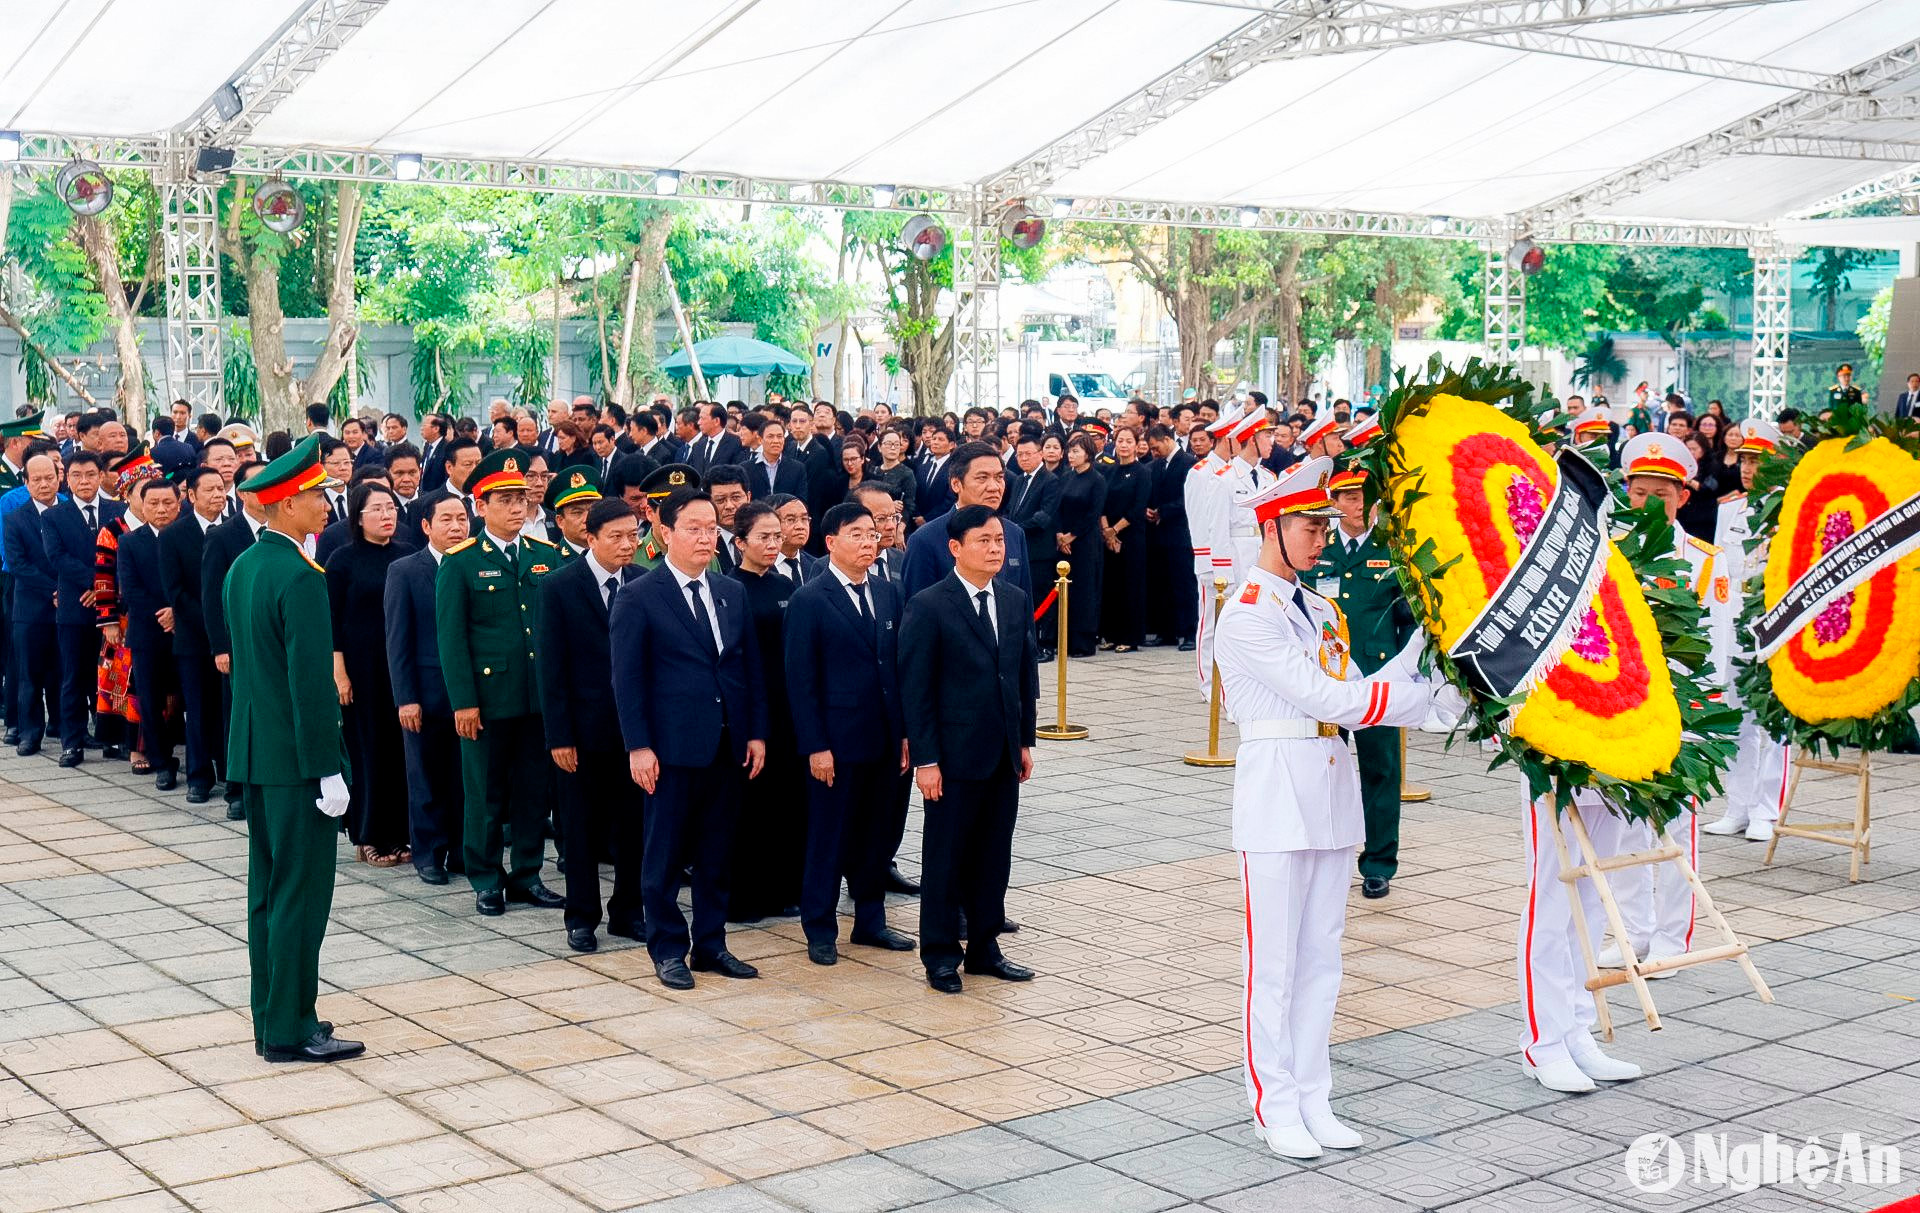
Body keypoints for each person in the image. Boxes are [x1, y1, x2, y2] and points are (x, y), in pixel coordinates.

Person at [1215, 459, 1460, 1157]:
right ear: (1272, 527)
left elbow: (1360, 685)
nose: (1321, 539)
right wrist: (1415, 697)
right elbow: (1329, 698)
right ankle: (1274, 1101)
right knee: (1274, 963)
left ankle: (1314, 1093)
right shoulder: (1248, 616)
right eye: (1307, 526)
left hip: (1327, 787)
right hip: (1275, 790)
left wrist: (1433, 673)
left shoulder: (1321, 609)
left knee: (1322, 956)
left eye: (1325, 525)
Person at [222, 436, 362, 1064]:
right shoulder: (302, 578)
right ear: (282, 506)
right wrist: (327, 767)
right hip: (298, 764)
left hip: (257, 756)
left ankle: (277, 1014)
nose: (326, 504)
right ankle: (289, 1029)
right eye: (314, 496)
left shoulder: (245, 567)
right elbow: (310, 687)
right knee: (300, 897)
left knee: (268, 895)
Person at [611, 489, 768, 990]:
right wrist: (638, 746)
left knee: (717, 851)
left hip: (726, 744)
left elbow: (748, 669)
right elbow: (627, 678)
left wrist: (756, 733)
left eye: (711, 528)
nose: (706, 538)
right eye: (694, 528)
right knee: (663, 853)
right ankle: (668, 948)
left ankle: (712, 943)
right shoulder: (639, 594)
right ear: (665, 533)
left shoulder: (730, 591)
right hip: (669, 748)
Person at [899, 506, 1038, 994]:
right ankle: (939, 954)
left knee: (992, 856)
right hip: (953, 757)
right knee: (946, 857)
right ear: (956, 548)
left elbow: (1022, 676)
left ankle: (984, 948)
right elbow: (916, 689)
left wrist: (1024, 740)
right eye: (984, 541)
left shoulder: (1015, 599)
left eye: (999, 540)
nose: (995, 548)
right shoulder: (930, 604)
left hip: (1001, 751)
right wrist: (927, 760)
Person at [436, 448, 565, 917]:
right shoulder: (462, 561)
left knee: (534, 791)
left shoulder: (544, 555)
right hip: (487, 701)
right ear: (481, 505)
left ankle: (527, 874)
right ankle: (486, 877)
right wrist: (463, 702)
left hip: (536, 698)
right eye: (504, 499)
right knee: (485, 793)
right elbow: (451, 639)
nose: (516, 507)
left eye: (521, 498)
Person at [787, 501, 913, 965]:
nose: (868, 541)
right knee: (829, 836)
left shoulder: (888, 593)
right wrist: (816, 745)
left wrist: (903, 733)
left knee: (877, 834)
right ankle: (819, 927)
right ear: (831, 543)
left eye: (872, 533)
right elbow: (800, 682)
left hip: (883, 738)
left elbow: (897, 668)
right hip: (835, 743)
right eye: (856, 534)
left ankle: (871, 920)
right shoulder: (810, 599)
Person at [538, 495, 644, 954]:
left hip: (634, 732)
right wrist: (559, 735)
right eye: (616, 537)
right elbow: (551, 669)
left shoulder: (643, 582)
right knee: (579, 829)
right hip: (581, 732)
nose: (627, 546)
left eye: (633, 536)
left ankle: (628, 911)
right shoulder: (559, 587)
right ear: (591, 537)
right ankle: (582, 917)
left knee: (633, 826)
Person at [1309, 463, 1409, 900]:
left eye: (1366, 496)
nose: (1359, 504)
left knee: (1381, 771)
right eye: (1349, 496)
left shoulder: (1394, 549)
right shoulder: (1319, 548)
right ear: (1334, 502)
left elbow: (1408, 620)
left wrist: (1408, 676)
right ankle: (1322, 852)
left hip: (1376, 680)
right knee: (1322, 768)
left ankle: (1379, 863)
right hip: (1328, 681)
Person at [1705, 420, 1790, 843]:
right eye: (1745, 460)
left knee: (1773, 724)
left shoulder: (1791, 512)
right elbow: (1724, 574)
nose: (1749, 469)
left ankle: (1767, 811)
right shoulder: (1728, 511)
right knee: (1738, 719)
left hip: (1775, 627)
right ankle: (1738, 806)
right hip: (1738, 627)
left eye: (1758, 461)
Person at [385, 491, 469, 886]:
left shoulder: (474, 565)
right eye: (447, 520)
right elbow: (398, 640)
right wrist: (406, 698)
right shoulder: (405, 570)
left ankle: (460, 849)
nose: (456, 527)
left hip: (468, 694)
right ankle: (428, 852)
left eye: (462, 519)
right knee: (426, 777)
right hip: (425, 691)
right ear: (426, 526)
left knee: (464, 778)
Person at [726, 501, 803, 922]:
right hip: (751, 710)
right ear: (740, 542)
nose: (774, 544)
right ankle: (746, 895)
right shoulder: (730, 589)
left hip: (789, 709)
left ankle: (787, 888)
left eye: (778, 537)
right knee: (749, 808)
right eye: (764, 537)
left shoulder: (786, 585)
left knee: (787, 804)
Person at [327, 482, 410, 867]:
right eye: (377, 509)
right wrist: (339, 673)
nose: (386, 515)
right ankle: (368, 833)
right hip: (361, 667)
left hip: (400, 665)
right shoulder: (342, 561)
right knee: (369, 749)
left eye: (390, 507)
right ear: (358, 517)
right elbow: (330, 622)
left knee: (399, 749)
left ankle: (402, 831)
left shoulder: (408, 555)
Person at [42, 451, 123, 766]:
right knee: (74, 677)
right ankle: (72, 743)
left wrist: (104, 588)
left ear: (101, 476)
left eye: (90, 474)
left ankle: (113, 739)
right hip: (75, 607)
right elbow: (57, 557)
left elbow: (125, 552)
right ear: (67, 478)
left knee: (111, 675)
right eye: (77, 475)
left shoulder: (119, 511)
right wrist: (95, 583)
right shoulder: (53, 516)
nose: (84, 481)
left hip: (113, 610)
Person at [158, 467, 228, 804]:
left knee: (227, 709)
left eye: (222, 487)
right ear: (192, 496)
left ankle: (231, 774)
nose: (218, 494)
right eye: (210, 489)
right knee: (197, 709)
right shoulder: (173, 535)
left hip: (231, 640)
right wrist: (212, 622)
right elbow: (176, 593)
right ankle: (199, 777)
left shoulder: (234, 530)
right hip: (193, 639)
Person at [202, 463, 268, 822]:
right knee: (237, 715)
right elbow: (211, 596)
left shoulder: (284, 530)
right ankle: (235, 788)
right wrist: (220, 647)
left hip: (270, 643)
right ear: (241, 493)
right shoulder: (223, 535)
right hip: (236, 644)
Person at [116, 474, 181, 789]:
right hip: (147, 632)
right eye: (153, 503)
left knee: (190, 698)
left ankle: (199, 761)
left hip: (187, 630)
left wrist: (178, 613)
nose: (161, 509)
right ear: (141, 505)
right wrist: (164, 615)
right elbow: (130, 590)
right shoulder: (130, 541)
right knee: (151, 700)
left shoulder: (192, 536)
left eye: (168, 502)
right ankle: (161, 762)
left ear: (179, 503)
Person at [5, 452, 62, 757]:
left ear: (58, 477)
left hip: (68, 605)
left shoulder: (69, 511)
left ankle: (66, 727)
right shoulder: (15, 519)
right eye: (36, 479)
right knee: (30, 675)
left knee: (64, 671)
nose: (44, 484)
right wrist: (54, 590)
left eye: (49, 477)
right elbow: (18, 564)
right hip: (30, 608)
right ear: (25, 483)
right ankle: (29, 733)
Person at [1049, 433, 1107, 658]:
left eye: (1076, 451)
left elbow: (1093, 513)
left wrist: (1071, 537)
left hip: (1084, 542)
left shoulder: (1097, 479)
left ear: (1088, 454)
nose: (1071, 456)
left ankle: (1083, 642)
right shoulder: (1066, 476)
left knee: (1084, 592)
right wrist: (1059, 535)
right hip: (1063, 541)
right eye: (1070, 451)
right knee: (1066, 592)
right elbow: (1057, 507)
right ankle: (1064, 638)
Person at [1098, 425, 1150, 653]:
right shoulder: (1109, 471)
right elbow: (1101, 503)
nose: (1124, 445)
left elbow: (1137, 508)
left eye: (1129, 441)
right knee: (1111, 586)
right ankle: (1110, 633)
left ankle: (1130, 636)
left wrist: (1115, 531)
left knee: (1130, 586)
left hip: (1131, 536)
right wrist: (1107, 531)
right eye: (1120, 441)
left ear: (1137, 445)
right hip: (1108, 536)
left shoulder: (1142, 472)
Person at [1144, 425, 1197, 649]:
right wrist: (1149, 509)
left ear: (1167, 440)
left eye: (1156, 448)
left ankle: (1189, 632)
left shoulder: (1189, 463)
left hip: (1180, 533)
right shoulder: (1155, 466)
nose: (1154, 453)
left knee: (1183, 584)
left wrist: (1163, 511)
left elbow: (1189, 499)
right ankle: (1166, 631)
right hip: (1158, 535)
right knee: (1161, 584)